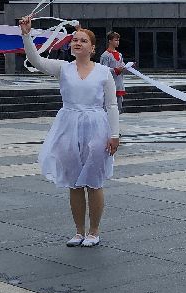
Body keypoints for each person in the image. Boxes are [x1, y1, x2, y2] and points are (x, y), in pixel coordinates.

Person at [18, 17, 120, 246]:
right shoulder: (63, 68)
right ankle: (78, 231)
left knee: (94, 181)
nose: (77, 43)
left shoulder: (104, 72)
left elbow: (111, 105)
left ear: (92, 48)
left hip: (96, 125)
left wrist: (114, 134)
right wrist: (26, 35)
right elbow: (36, 61)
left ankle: (94, 231)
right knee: (74, 182)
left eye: (83, 41)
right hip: (69, 125)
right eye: (75, 40)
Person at [100, 31, 129, 104]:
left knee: (119, 108)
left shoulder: (120, 55)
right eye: (116, 40)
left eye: (118, 40)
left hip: (119, 84)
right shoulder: (105, 55)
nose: (117, 42)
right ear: (110, 41)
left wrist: (127, 67)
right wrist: (115, 70)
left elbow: (122, 66)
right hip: (110, 85)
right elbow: (103, 70)